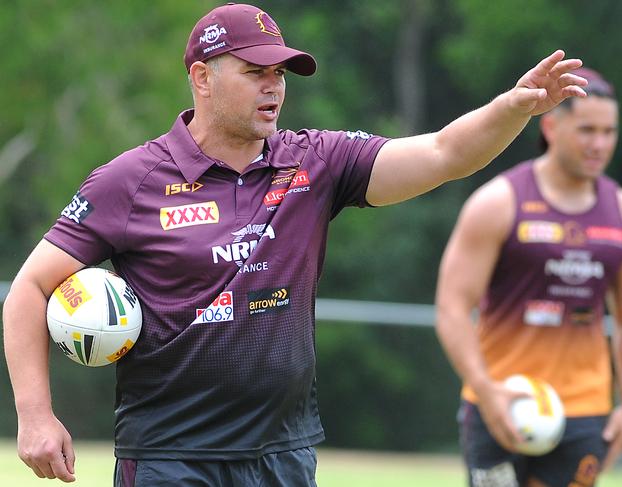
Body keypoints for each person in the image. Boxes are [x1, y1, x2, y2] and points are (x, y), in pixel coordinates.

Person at [2, 2, 587, 486]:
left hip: (284, 455)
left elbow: (442, 154)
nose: (273, 87)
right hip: (171, 458)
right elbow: (29, 288)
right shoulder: (128, 181)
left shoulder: (317, 161)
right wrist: (35, 416)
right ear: (202, 77)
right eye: (255, 71)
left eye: (279, 74)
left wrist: (512, 109)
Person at [435, 67, 622, 487]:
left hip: (585, 411)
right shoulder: (497, 203)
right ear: (550, 125)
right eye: (587, 130)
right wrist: (484, 388)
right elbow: (452, 307)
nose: (599, 144)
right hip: (499, 403)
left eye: (609, 132)